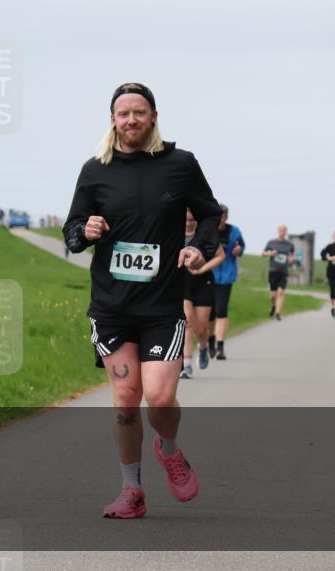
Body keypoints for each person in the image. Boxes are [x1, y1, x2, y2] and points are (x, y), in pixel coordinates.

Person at [63, 82, 221, 519]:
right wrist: (85, 231)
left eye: (139, 111)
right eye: (123, 113)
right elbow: (72, 230)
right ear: (113, 120)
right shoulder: (95, 169)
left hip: (162, 307)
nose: (131, 119)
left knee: (160, 397)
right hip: (111, 308)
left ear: (153, 116)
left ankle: (168, 449)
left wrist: (198, 247)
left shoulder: (180, 164)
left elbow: (209, 213)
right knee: (125, 397)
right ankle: (131, 490)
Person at [180, 210, 225, 378]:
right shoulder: (175, 233)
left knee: (201, 327)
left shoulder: (204, 235)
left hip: (203, 282)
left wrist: (202, 269)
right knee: (187, 323)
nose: (188, 223)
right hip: (183, 282)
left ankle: (204, 346)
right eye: (186, 220)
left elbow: (220, 256)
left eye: (192, 220)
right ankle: (186, 364)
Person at [209, 204, 244, 360]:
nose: (219, 220)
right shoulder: (207, 231)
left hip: (226, 277)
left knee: (221, 310)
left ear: (226, 217)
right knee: (209, 314)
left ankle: (220, 347)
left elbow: (241, 246)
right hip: (208, 276)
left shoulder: (234, 231)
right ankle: (210, 340)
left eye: (222, 216)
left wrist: (239, 250)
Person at [262, 225, 295, 321]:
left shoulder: (290, 244)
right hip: (273, 270)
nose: (282, 232)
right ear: (278, 231)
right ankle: (274, 306)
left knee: (281, 292)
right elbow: (262, 253)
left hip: (284, 271)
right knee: (273, 295)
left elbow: (293, 256)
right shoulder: (271, 242)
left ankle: (278, 313)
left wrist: (291, 259)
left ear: (286, 232)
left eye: (284, 231)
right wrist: (270, 253)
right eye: (281, 230)